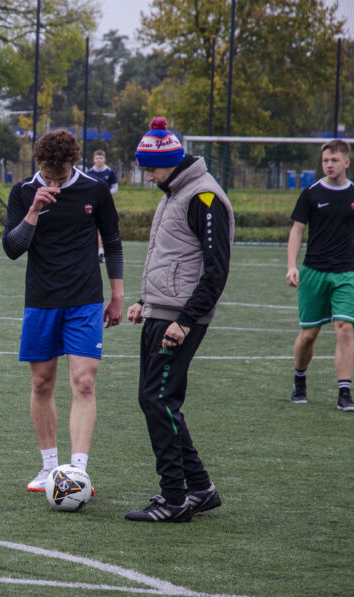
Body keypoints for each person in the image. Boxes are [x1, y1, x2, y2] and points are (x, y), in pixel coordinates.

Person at [2, 130, 124, 494]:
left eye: (61, 174)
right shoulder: (23, 192)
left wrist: (117, 295)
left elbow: (113, 242)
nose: (54, 181)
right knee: (41, 382)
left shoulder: (95, 190)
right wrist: (33, 211)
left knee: (84, 382)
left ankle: (78, 472)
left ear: (73, 162)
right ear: (38, 164)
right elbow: (12, 249)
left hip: (85, 300)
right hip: (41, 300)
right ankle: (49, 467)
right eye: (48, 174)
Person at [125, 117, 233, 522]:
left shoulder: (203, 197)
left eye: (151, 168)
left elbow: (215, 270)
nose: (147, 175)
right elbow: (174, 257)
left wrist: (184, 321)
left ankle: (173, 500)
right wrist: (145, 301)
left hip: (180, 320)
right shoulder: (174, 191)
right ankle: (200, 489)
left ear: (170, 162)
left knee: (159, 401)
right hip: (162, 312)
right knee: (156, 400)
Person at [285, 139, 354, 412]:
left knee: (345, 328)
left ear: (346, 162)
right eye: (326, 160)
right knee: (309, 335)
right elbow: (297, 230)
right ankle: (299, 379)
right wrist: (292, 266)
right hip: (313, 272)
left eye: (335, 160)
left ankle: (345, 392)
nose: (329, 164)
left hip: (347, 273)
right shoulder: (311, 194)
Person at [87, 149, 119, 264]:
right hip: (94, 204)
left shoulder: (110, 172)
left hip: (107, 204)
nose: (99, 160)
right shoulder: (89, 172)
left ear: (104, 159)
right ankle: (99, 252)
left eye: (101, 158)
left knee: (106, 227)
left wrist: (105, 193)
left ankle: (108, 251)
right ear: (93, 160)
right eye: (97, 158)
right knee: (95, 227)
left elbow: (115, 188)